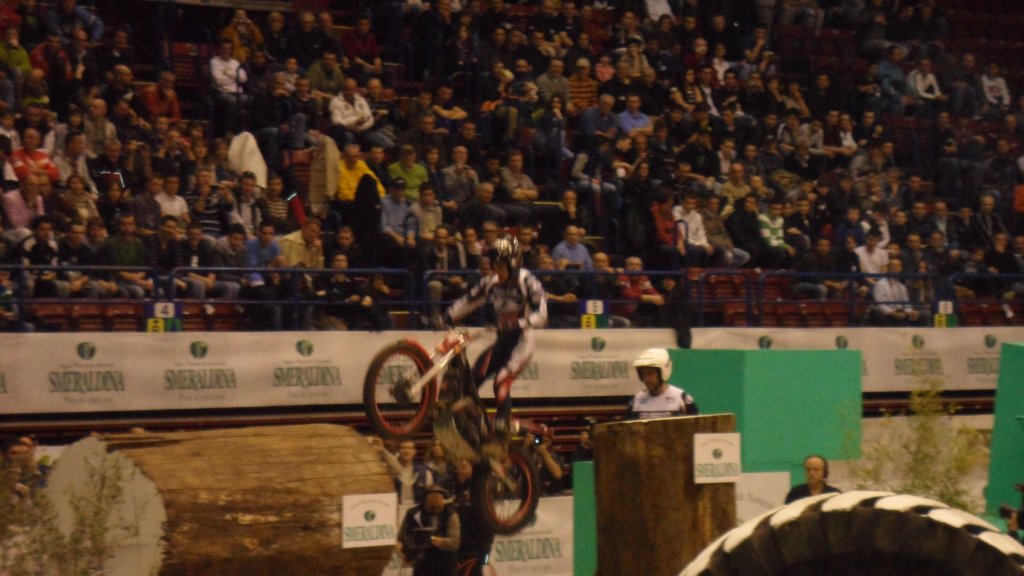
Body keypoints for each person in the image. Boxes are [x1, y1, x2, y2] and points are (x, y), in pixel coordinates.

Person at [440, 235, 547, 435]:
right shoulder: (491, 282)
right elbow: (470, 300)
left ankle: (502, 423)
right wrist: (448, 315)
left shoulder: (527, 280)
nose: (495, 268)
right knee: (475, 377)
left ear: (512, 263)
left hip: (523, 341)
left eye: (499, 263)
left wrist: (519, 323)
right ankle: (469, 425)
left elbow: (542, 315)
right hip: (503, 339)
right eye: (493, 263)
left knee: (500, 381)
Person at [397, 483, 460, 576]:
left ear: (443, 502)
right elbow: (400, 539)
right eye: (431, 507)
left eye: (439, 507)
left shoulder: (451, 515)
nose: (435, 511)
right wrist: (402, 552)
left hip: (445, 565)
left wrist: (430, 539)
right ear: (424, 502)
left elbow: (454, 543)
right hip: (421, 565)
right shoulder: (413, 513)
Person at [627, 348, 698, 420]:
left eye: (650, 373)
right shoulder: (637, 400)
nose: (646, 379)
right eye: (643, 374)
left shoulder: (682, 399)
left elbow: (697, 425)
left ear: (662, 373)